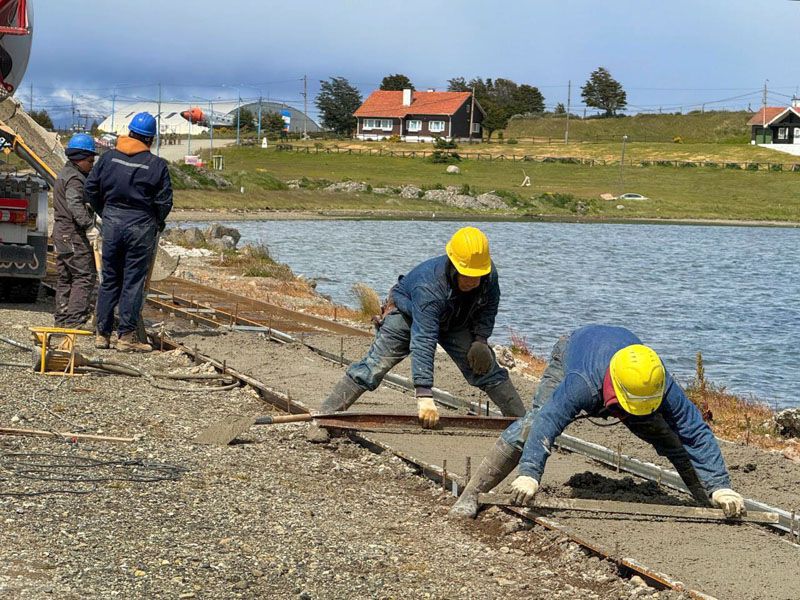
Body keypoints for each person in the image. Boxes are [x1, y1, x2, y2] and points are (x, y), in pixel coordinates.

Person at [449, 325, 746, 519]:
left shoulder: (658, 380)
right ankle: (471, 495)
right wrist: (530, 474)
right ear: (614, 389)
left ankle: (706, 500)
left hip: (624, 370)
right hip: (572, 350)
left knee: (671, 437)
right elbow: (547, 424)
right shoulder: (580, 384)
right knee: (531, 424)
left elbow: (694, 430)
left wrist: (721, 485)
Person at [308, 226, 527, 442]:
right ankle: (323, 418)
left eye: (477, 275)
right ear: (453, 265)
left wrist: (481, 339)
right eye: (467, 275)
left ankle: (525, 426)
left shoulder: (487, 273)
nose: (473, 280)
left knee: (486, 369)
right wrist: (424, 394)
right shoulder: (429, 286)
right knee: (373, 367)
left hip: (454, 321)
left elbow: (489, 307)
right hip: (408, 314)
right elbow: (424, 339)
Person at [84, 112, 173, 352]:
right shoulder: (156, 165)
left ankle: (101, 335)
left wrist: (106, 212)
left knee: (109, 279)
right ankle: (125, 337)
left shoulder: (108, 158)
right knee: (133, 281)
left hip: (113, 223)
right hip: (141, 227)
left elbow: (90, 189)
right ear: (150, 139)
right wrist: (155, 221)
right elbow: (164, 202)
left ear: (129, 133)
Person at [53, 133, 99, 329]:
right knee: (84, 275)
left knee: (66, 276)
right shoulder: (75, 178)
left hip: (60, 232)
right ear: (80, 158)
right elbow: (75, 204)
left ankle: (61, 319)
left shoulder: (65, 173)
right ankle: (74, 321)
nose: (92, 164)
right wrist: (89, 226)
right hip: (72, 233)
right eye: (90, 160)